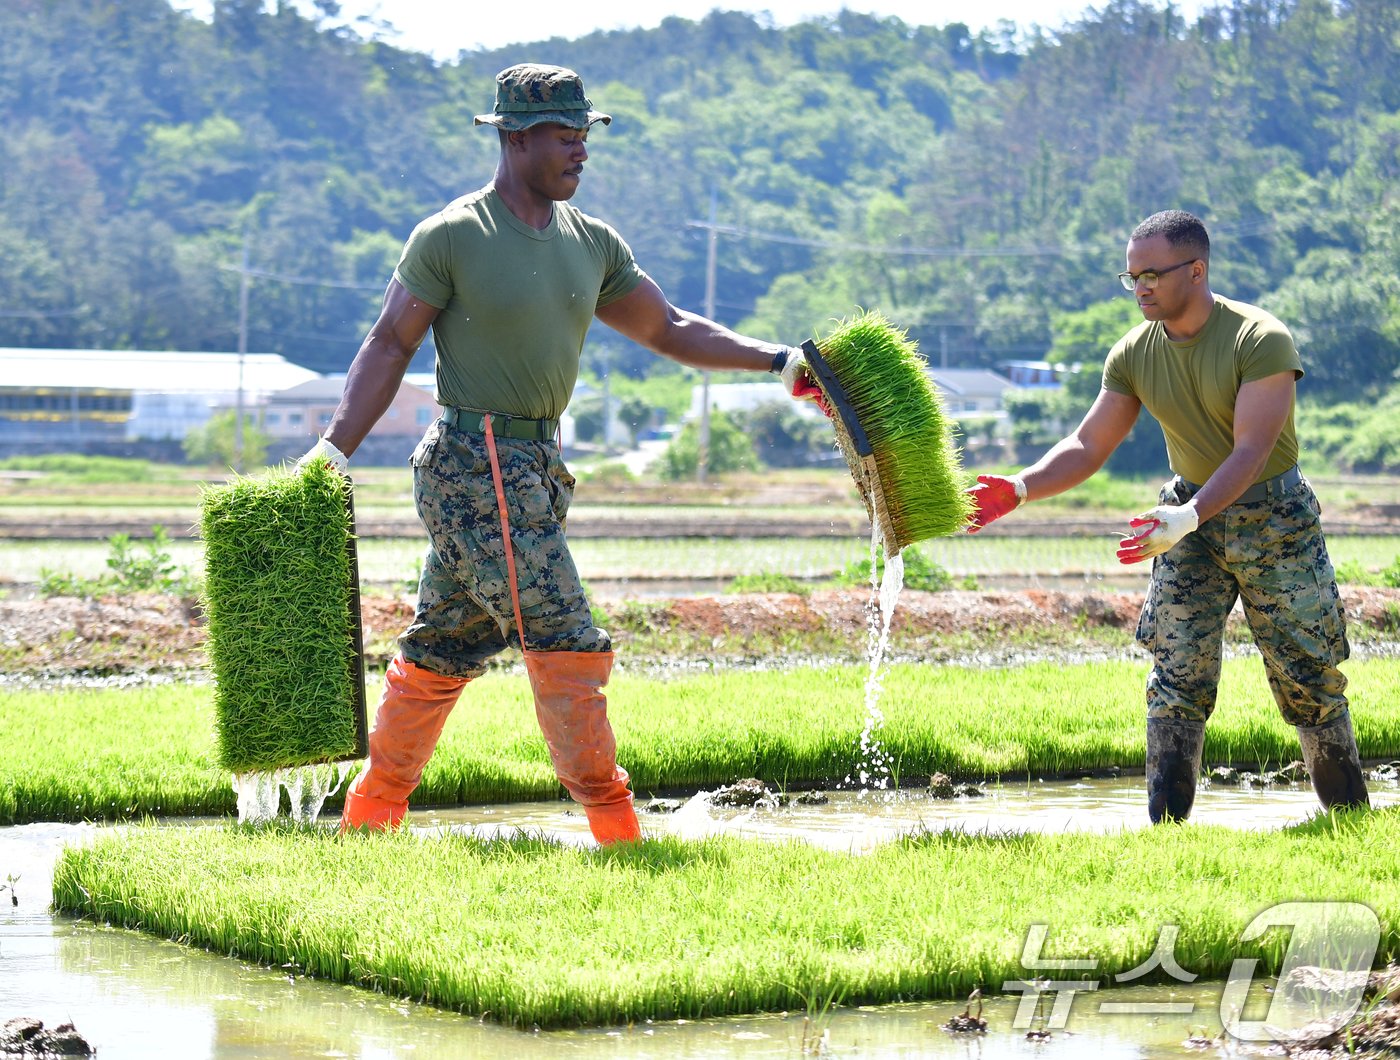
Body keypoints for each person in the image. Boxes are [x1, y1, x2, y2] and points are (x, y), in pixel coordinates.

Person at [299, 63, 818, 845]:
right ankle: (619, 833)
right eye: (564, 137)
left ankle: (368, 823)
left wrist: (779, 362)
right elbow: (389, 342)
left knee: (446, 641)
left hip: (537, 467)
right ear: (513, 138)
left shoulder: (592, 243)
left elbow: (670, 327)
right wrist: (332, 451)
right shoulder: (452, 235)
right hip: (475, 462)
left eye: (585, 136)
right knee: (565, 635)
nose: (581, 151)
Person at [966, 209, 1369, 823]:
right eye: (1132, 278)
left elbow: (1251, 450)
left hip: (1273, 516)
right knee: (1175, 677)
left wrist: (1192, 514)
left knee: (1308, 677)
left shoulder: (1259, 339)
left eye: (1152, 274)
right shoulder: (1133, 353)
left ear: (1196, 269)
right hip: (1187, 517)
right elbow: (1087, 445)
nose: (1142, 288)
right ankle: (1167, 829)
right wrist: (1020, 488)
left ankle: (1349, 819)